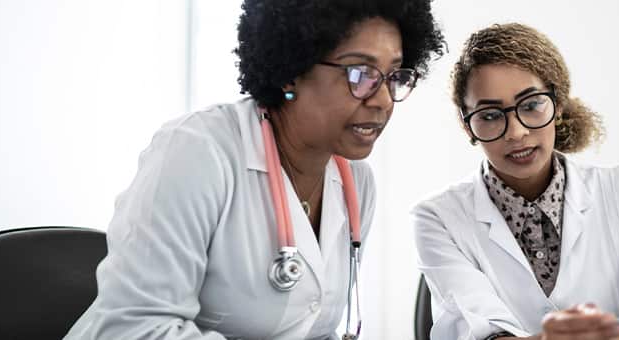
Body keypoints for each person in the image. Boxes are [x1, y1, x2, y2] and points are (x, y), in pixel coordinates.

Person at [64, 1, 444, 339]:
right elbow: (134, 327)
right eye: (359, 74)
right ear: (291, 71)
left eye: (394, 76)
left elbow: (311, 326)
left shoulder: (356, 184)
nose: (381, 100)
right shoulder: (196, 153)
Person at [412, 23, 619, 340]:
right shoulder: (437, 217)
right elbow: (479, 334)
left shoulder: (618, 190)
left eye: (532, 105)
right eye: (491, 115)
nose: (516, 132)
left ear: (558, 101)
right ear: (467, 124)